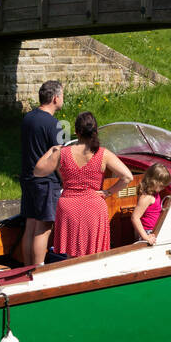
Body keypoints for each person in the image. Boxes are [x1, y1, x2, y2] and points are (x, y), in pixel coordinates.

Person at [33, 111, 133, 259]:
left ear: (76, 132)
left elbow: (38, 171)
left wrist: (51, 150)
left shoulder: (63, 153)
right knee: (95, 255)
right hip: (93, 206)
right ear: (96, 131)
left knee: (72, 257)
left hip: (69, 207)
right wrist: (108, 192)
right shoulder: (103, 154)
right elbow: (127, 177)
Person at [20, 80, 63, 266]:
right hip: (47, 182)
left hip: (28, 178)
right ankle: (38, 270)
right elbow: (60, 156)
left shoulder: (27, 118)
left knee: (30, 225)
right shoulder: (57, 124)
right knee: (43, 228)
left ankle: (26, 268)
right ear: (55, 98)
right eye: (62, 96)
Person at [131, 164, 171, 245]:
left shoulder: (154, 193)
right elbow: (134, 217)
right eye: (161, 186)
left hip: (153, 230)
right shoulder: (147, 197)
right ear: (153, 182)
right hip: (148, 232)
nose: (163, 188)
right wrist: (146, 237)